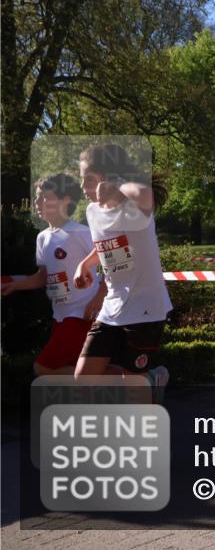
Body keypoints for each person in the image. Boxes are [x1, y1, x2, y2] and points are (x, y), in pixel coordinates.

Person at [72, 144, 172, 401]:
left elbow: (145, 195)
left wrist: (117, 185)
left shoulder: (136, 208)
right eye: (81, 180)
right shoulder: (92, 211)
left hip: (146, 308)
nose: (83, 187)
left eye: (89, 180)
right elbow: (104, 246)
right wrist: (85, 264)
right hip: (113, 306)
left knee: (135, 389)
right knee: (82, 379)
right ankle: (151, 377)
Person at [2, 174, 106, 375]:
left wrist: (100, 297)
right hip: (59, 317)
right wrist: (13, 286)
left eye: (43, 197)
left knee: (43, 367)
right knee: (78, 371)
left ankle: (136, 379)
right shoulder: (42, 238)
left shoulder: (82, 233)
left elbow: (111, 263)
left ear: (66, 200)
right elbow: (42, 277)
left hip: (81, 315)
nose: (37, 202)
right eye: (36, 198)